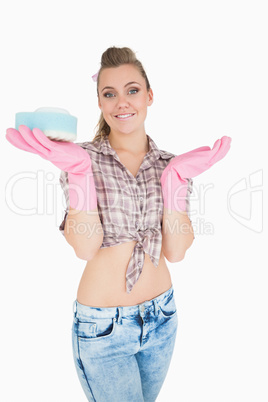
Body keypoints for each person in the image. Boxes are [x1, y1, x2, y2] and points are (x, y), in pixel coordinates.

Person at [6, 46, 231, 401]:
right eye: (109, 94)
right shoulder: (81, 159)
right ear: (99, 102)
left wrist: (174, 181)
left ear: (149, 95)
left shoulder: (171, 164)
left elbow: (176, 251)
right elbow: (85, 246)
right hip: (104, 328)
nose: (121, 103)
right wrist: (80, 174)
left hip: (163, 316)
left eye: (132, 90)